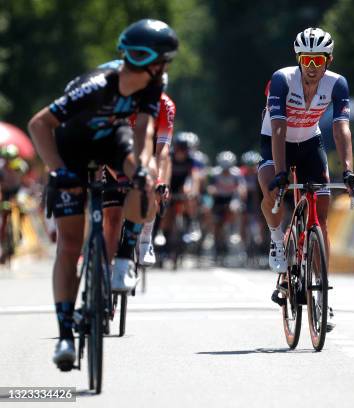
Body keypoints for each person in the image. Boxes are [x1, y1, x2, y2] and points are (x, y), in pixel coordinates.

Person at [27, 18, 178, 371]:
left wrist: (141, 167)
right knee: (69, 243)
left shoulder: (153, 88)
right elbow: (39, 124)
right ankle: (66, 334)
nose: (165, 68)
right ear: (147, 61)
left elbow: (144, 130)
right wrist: (58, 170)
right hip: (71, 148)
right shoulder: (95, 86)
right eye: (163, 61)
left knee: (146, 178)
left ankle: (124, 260)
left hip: (113, 144)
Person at [258, 27, 354, 320]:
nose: (312, 67)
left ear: (328, 59)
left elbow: (341, 129)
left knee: (323, 214)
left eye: (318, 60)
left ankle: (322, 293)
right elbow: (278, 127)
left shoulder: (337, 84)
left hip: (309, 142)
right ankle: (278, 240)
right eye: (307, 60)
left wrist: (349, 170)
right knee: (270, 189)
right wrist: (280, 173)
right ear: (299, 59)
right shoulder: (282, 79)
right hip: (275, 141)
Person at [97, 59, 176, 271]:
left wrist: (161, 182)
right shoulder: (119, 101)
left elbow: (162, 152)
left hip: (143, 156)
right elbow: (105, 146)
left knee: (153, 183)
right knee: (112, 218)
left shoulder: (165, 106)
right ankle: (105, 271)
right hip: (113, 156)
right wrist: (120, 177)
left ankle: (145, 237)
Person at [207, 151, 246, 260]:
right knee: (215, 220)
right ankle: (214, 240)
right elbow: (210, 187)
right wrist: (213, 190)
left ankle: (233, 231)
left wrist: (241, 193)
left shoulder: (237, 173)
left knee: (234, 208)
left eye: (227, 169)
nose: (225, 171)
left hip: (231, 198)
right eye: (223, 169)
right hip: (218, 199)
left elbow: (241, 188)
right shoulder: (215, 173)